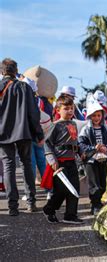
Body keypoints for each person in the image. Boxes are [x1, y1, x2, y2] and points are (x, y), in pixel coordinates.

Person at [0, 58, 44, 216]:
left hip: (3, 133)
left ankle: (13, 207)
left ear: (2, 71)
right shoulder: (24, 87)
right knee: (26, 164)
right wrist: (38, 133)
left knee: (8, 167)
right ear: (16, 70)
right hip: (23, 132)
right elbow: (33, 113)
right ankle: (31, 202)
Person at [42, 95, 83, 224]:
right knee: (61, 190)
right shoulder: (55, 126)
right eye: (66, 108)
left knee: (74, 188)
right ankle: (50, 208)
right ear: (58, 110)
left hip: (72, 162)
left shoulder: (73, 124)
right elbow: (47, 144)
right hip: (60, 163)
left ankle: (70, 215)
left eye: (72, 108)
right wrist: (53, 161)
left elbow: (75, 142)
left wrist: (81, 152)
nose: (70, 111)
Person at [79, 98, 107, 215]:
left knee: (103, 184)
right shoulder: (85, 130)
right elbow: (82, 145)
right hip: (91, 161)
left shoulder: (105, 129)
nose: (96, 118)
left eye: (99, 115)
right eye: (94, 116)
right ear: (90, 116)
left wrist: (106, 148)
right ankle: (95, 205)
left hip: (102, 160)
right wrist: (94, 148)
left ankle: (98, 202)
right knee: (94, 185)